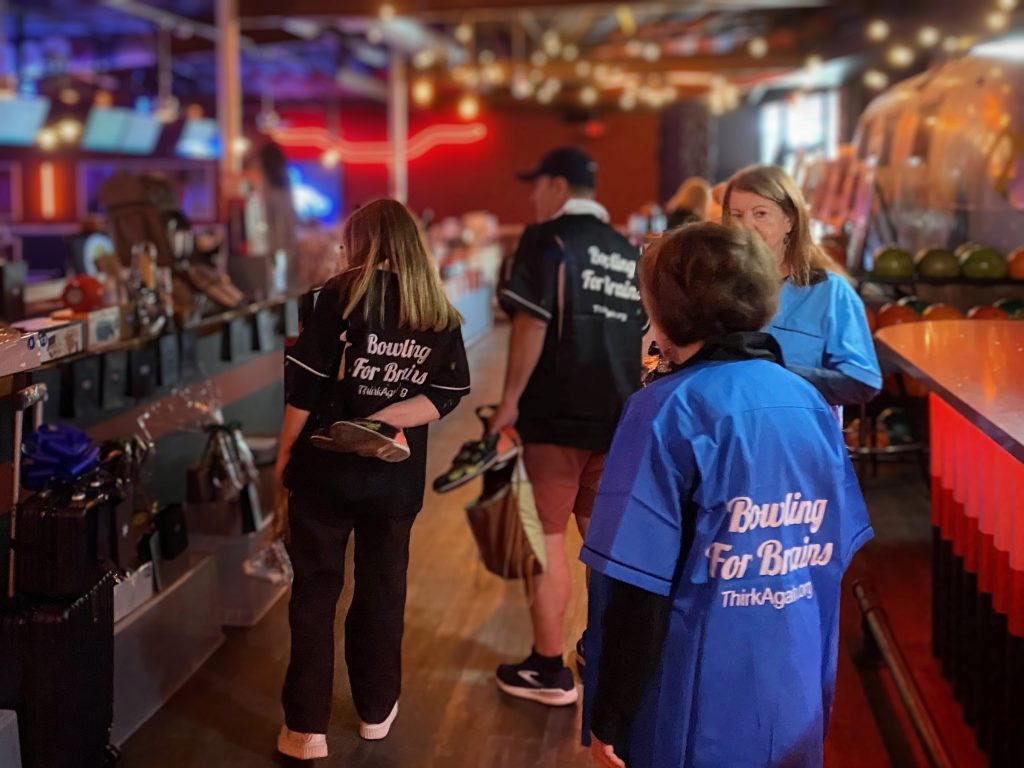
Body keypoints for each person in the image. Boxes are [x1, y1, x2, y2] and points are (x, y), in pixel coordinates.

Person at [581, 222, 873, 768]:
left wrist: (610, 714)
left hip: (692, 704)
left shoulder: (663, 411)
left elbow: (638, 590)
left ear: (668, 313)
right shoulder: (809, 402)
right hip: (793, 688)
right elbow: (831, 552)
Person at [273, 199, 470, 760]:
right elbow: (448, 393)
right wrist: (387, 420)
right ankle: (375, 711)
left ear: (361, 242)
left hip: (325, 473)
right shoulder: (436, 307)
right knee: (383, 593)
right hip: (395, 479)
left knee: (315, 594)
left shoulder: (338, 295)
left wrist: (282, 459)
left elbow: (305, 388)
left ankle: (305, 730)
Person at [489, 146, 647, 705]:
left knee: (547, 542)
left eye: (537, 185)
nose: (534, 197)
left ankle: (548, 667)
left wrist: (508, 403)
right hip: (619, 418)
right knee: (602, 543)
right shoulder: (627, 251)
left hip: (557, 419)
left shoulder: (545, 239)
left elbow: (530, 325)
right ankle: (605, 653)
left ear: (557, 186)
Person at [724, 164, 881, 406]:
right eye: (737, 215)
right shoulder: (716, 287)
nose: (746, 226)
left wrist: (773, 375)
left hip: (796, 426)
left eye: (760, 214)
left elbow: (862, 382)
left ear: (789, 220)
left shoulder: (829, 292)